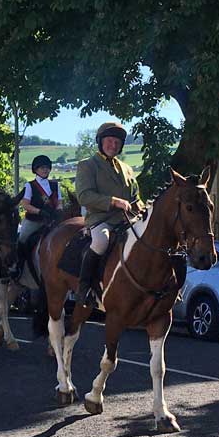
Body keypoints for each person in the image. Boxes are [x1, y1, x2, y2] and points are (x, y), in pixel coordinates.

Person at [74, 121, 141, 306]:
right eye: (110, 141)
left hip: (127, 220)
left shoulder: (127, 169)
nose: (113, 145)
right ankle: (84, 287)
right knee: (101, 241)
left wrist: (143, 209)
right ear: (101, 142)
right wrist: (113, 201)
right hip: (100, 219)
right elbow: (84, 196)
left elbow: (135, 197)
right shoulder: (87, 165)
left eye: (117, 142)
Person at [16, 155, 61, 273]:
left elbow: (60, 203)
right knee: (21, 239)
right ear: (35, 169)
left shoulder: (56, 185)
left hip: (52, 221)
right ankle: (18, 268)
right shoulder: (30, 185)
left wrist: (58, 211)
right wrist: (39, 211)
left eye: (47, 167)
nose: (45, 170)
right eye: (42, 167)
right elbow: (25, 205)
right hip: (34, 221)